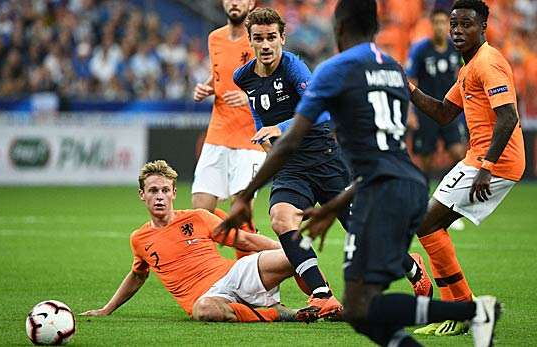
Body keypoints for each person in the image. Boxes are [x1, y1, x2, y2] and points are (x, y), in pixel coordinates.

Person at [217, 1, 500, 346]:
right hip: (400, 181)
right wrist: (336, 204)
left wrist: (245, 195)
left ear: (338, 29)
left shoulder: (333, 70)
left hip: (366, 181)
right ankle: (326, 293)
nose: (264, 45)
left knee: (361, 305)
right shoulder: (393, 70)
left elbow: (294, 139)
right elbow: (384, 148)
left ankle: (471, 312)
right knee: (359, 309)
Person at [407, 0, 525, 337]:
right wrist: (411, 90)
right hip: (480, 158)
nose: (458, 31)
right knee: (428, 225)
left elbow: (508, 117)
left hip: (493, 161)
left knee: (428, 223)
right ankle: (459, 307)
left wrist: (487, 166)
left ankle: (460, 309)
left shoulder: (488, 64)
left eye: (466, 25)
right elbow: (445, 112)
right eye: (454, 25)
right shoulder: (469, 67)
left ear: (483, 27)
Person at [233, 7, 351, 320]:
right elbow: (259, 112)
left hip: (323, 157)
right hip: (290, 165)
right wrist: (267, 137)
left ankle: (410, 264)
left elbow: (322, 112)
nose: (266, 44)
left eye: (272, 37)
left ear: (283, 38)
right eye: (259, 39)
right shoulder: (242, 77)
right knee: (282, 219)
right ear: (251, 41)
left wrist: (279, 128)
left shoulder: (294, 67)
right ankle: (322, 295)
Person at [80, 160, 304, 323]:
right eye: (153, 190)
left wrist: (285, 247)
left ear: (174, 193)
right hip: (206, 298)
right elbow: (137, 275)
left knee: (297, 255)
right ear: (142, 195)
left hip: (235, 275)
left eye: (165, 190)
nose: (160, 196)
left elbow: (244, 240)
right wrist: (106, 309)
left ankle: (324, 301)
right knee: (205, 311)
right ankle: (275, 313)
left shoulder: (198, 216)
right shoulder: (139, 239)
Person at [191, 0, 265, 220]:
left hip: (249, 137)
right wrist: (207, 88)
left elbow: (273, 83)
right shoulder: (215, 38)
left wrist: (247, 96)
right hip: (218, 133)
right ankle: (208, 254)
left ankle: (247, 250)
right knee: (200, 207)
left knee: (241, 207)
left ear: (251, 4)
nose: (235, 2)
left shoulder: (260, 40)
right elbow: (220, 74)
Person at [406, 7, 466, 179]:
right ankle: (423, 199)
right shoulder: (420, 50)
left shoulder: (456, 49)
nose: (439, 26)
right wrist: (410, 112)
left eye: (443, 22)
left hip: (451, 109)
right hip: (426, 111)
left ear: (448, 25)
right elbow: (410, 80)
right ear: (431, 24)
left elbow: (465, 75)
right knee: (426, 160)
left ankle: (454, 191)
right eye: (436, 22)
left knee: (458, 152)